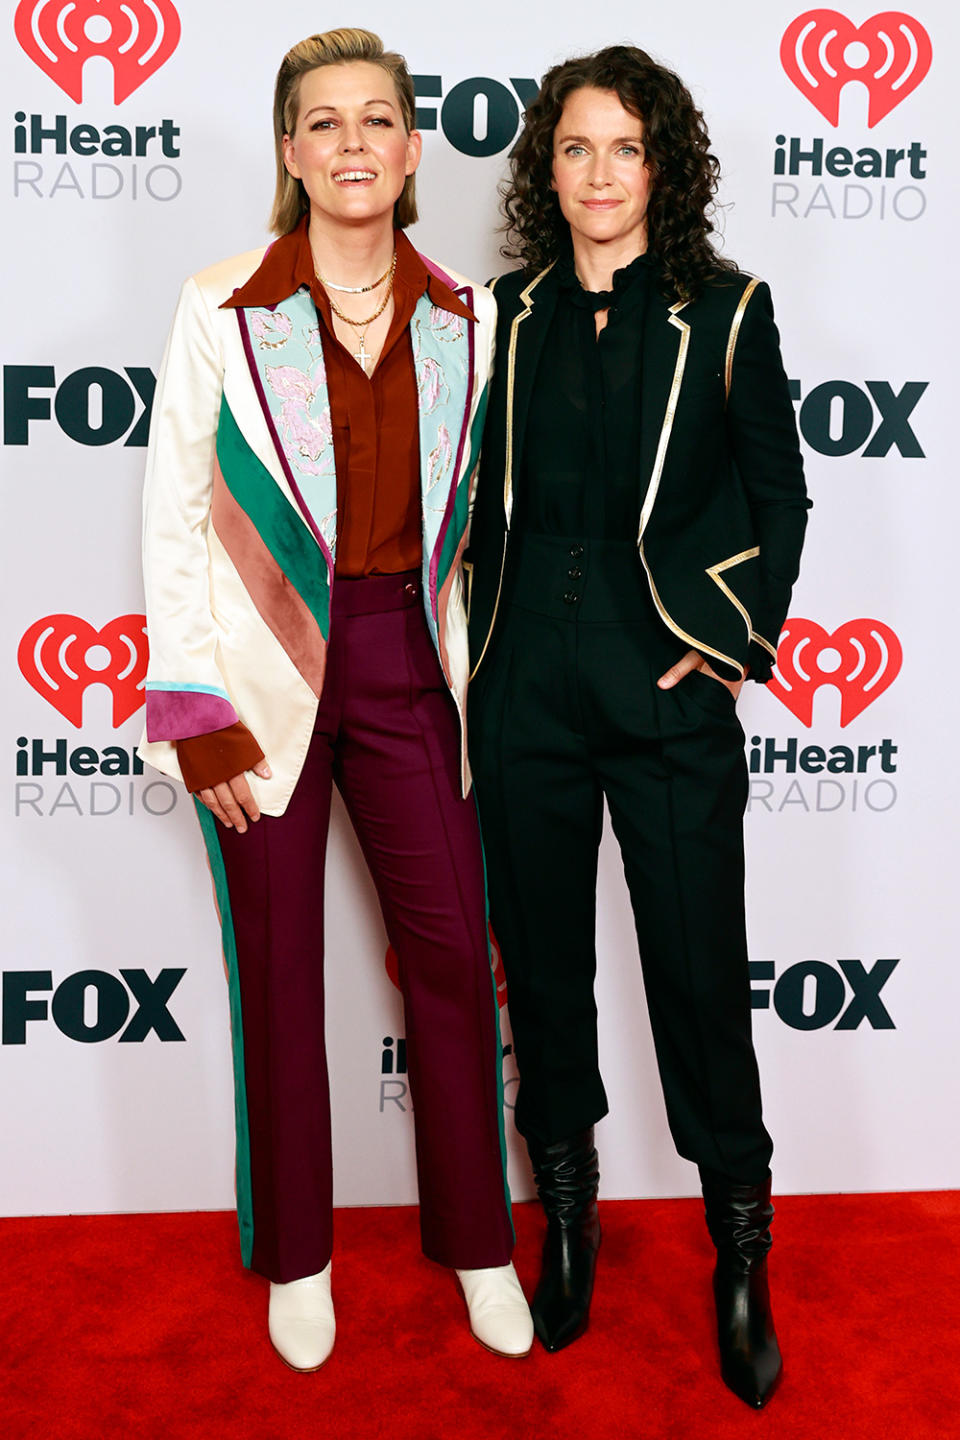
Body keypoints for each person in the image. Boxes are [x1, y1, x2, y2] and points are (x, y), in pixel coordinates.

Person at [139, 27, 532, 1371]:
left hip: (412, 669)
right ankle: (295, 1259)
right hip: (261, 676)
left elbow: (491, 529)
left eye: (378, 119)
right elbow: (176, 516)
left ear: (413, 150)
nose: (353, 142)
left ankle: (479, 1243)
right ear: (291, 151)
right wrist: (195, 712)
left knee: (452, 964)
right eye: (325, 122)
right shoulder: (223, 303)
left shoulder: (471, 316)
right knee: (279, 974)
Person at [466, 44, 810, 1407]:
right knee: (543, 976)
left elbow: (779, 496)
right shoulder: (498, 316)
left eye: (625, 148)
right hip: (523, 690)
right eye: (574, 148)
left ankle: (742, 1254)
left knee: (697, 974)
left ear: (662, 166)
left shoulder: (724, 311)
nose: (598, 174)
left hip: (666, 690)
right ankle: (568, 1222)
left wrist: (729, 647)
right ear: (543, 169)